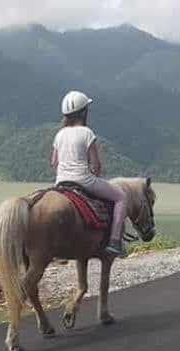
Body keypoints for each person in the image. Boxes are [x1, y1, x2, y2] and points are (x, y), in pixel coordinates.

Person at [51, 90, 128, 257]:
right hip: (83, 180)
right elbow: (96, 164)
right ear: (84, 112)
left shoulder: (59, 134)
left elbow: (54, 163)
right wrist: (96, 172)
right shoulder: (87, 132)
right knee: (121, 197)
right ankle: (115, 242)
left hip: (60, 182)